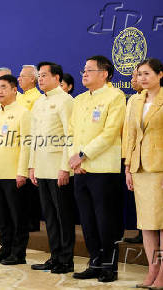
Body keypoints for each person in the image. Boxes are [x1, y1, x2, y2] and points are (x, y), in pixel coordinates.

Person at [69, 55, 125, 282]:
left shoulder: (116, 96)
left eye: (90, 70)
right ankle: (94, 262)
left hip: (103, 170)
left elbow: (110, 133)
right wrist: (74, 160)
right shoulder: (79, 99)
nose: (84, 73)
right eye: (83, 69)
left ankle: (109, 267)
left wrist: (83, 155)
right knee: (87, 220)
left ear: (105, 74)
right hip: (81, 169)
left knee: (106, 221)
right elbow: (72, 133)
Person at [29, 62, 75, 274]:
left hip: (58, 169)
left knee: (63, 216)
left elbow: (70, 136)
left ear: (57, 78)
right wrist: (31, 167)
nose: (40, 79)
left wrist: (65, 167)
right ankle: (55, 256)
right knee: (49, 217)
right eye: (39, 75)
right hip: (41, 167)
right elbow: (33, 138)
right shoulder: (39, 102)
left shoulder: (66, 101)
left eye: (45, 75)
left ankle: (66, 260)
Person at [124, 58, 163, 288]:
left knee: (162, 224)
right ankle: (152, 270)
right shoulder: (135, 101)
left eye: (147, 74)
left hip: (160, 168)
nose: (142, 78)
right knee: (147, 224)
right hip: (140, 169)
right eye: (139, 74)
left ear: (160, 75)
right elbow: (130, 136)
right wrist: (128, 167)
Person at [0, 74, 31, 265]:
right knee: (3, 216)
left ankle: (19, 253)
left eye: (4, 87)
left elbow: (27, 145)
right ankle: (5, 249)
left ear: (14, 90)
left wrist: (22, 172)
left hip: (14, 173)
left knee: (17, 216)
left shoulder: (23, 112)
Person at [17, 64, 42, 232]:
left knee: (31, 189)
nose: (19, 79)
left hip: (31, 145)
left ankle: (33, 221)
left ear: (32, 79)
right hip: (17, 146)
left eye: (22, 76)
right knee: (21, 189)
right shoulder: (20, 97)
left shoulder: (36, 98)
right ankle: (23, 219)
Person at [123, 67, 143, 244]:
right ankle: (141, 232)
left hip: (151, 159)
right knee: (138, 198)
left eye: (136, 75)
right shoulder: (133, 100)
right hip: (132, 155)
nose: (133, 79)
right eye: (134, 76)